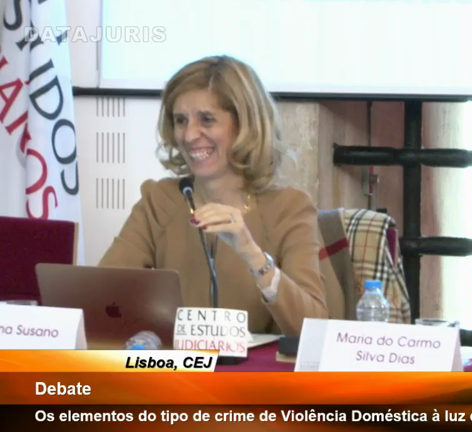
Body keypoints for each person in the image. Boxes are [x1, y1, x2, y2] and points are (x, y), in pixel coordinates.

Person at [99, 55, 327, 336]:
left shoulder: (290, 207)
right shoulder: (159, 200)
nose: (189, 135)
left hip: (254, 365)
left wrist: (252, 254)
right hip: (177, 362)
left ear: (245, 125)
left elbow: (314, 327)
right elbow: (102, 294)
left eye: (206, 119)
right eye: (181, 120)